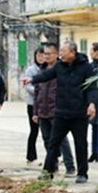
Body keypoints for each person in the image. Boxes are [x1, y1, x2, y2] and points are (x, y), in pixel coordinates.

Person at [24, 41, 97, 183]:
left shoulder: (86, 68)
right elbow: (47, 75)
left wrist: (92, 104)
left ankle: (82, 173)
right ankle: (47, 171)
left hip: (78, 114)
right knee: (53, 143)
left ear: (73, 52)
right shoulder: (59, 66)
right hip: (60, 113)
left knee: (80, 144)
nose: (61, 54)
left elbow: (92, 88)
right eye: (61, 51)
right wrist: (32, 79)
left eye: (64, 51)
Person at [32, 43, 76, 176]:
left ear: (56, 55)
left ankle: (70, 166)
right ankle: (52, 165)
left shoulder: (62, 69)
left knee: (61, 140)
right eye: (44, 54)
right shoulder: (41, 70)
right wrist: (35, 112)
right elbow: (36, 92)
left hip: (57, 110)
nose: (45, 56)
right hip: (43, 111)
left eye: (48, 54)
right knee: (47, 140)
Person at [24, 48, 44, 164]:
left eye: (42, 55)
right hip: (33, 103)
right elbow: (27, 86)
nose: (40, 58)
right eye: (38, 56)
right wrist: (40, 91)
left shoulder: (49, 69)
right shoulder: (31, 70)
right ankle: (31, 155)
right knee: (34, 130)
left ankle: (56, 154)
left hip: (47, 104)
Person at [89, 42, 98, 163]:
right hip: (93, 101)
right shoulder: (90, 67)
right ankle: (94, 152)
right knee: (94, 127)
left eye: (91, 50)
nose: (90, 53)